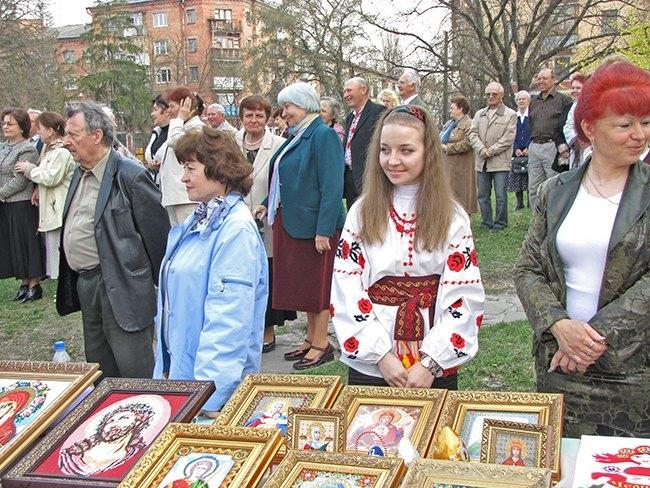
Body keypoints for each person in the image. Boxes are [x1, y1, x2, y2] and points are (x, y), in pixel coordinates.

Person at [514, 61, 650, 438]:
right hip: (560, 368)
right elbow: (527, 269)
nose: (639, 135)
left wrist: (589, 339)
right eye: (625, 124)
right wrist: (559, 325)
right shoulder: (555, 192)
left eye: (646, 122)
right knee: (562, 462)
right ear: (589, 128)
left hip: (633, 374)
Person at [331, 105, 485, 391]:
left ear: (428, 152)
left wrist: (431, 362)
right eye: (385, 150)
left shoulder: (452, 216)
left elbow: (465, 293)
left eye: (406, 150)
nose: (393, 160)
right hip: (373, 362)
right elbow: (346, 287)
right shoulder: (361, 213)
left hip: (432, 365)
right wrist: (380, 356)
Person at [153, 127, 268, 415]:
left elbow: (228, 322)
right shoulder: (200, 218)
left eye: (191, 168)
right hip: (185, 381)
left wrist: (209, 397)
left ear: (220, 171)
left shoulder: (236, 230)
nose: (183, 177)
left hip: (207, 397)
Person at [57, 101, 170, 380]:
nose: (66, 141)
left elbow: (158, 238)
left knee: (134, 370)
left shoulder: (130, 175)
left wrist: (159, 291)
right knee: (100, 367)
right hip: (87, 283)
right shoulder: (79, 172)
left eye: (73, 134)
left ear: (96, 135)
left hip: (122, 286)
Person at [253, 82, 345, 370]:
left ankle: (322, 344)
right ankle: (310, 339)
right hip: (294, 224)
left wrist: (324, 230)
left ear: (305, 105)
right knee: (306, 286)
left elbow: (332, 186)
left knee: (318, 287)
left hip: (315, 227)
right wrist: (267, 202)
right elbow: (283, 178)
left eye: (288, 106)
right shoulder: (298, 134)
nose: (284, 112)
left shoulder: (323, 135)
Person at [234, 95, 296, 353]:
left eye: (259, 115)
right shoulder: (230, 144)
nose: (254, 120)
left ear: (268, 118)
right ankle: (243, 330)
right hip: (236, 219)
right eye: (249, 115)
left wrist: (266, 203)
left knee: (265, 275)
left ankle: (267, 331)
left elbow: (285, 183)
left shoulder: (280, 145)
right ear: (241, 118)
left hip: (266, 220)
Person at [15, 111, 75, 280]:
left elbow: (50, 177)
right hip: (51, 208)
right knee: (54, 253)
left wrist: (28, 169)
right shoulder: (50, 151)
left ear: (50, 131)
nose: (38, 131)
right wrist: (38, 190)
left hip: (59, 208)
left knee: (60, 254)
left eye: (40, 128)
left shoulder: (61, 152)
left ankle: (66, 286)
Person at [0, 108, 43, 303]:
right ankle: (24, 282)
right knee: (13, 245)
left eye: (10, 123)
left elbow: (20, 180)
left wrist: (0, 194)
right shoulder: (3, 147)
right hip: (6, 204)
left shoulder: (27, 149)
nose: (5, 126)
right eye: (4, 123)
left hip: (22, 203)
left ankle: (34, 284)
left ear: (22, 127)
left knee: (26, 244)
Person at [469, 82, 517, 231]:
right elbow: (472, 133)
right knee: (482, 195)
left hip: (500, 162)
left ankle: (500, 224)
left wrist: (490, 151)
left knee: (501, 195)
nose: (491, 97)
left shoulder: (510, 114)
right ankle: (486, 222)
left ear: (501, 95)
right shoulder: (479, 114)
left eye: (494, 94)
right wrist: (481, 149)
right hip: (482, 161)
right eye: (488, 94)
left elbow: (508, 138)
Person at [59, 403, 154, 476]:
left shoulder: (140, 455)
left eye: (123, 418)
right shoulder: (68, 456)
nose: (113, 424)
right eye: (110, 421)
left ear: (138, 422)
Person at [527, 68, 573, 208]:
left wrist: (563, 145)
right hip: (534, 147)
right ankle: (537, 218)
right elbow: (531, 123)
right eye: (539, 78)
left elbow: (567, 124)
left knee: (553, 187)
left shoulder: (563, 100)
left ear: (553, 80)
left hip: (552, 146)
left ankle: (553, 217)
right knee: (534, 189)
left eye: (545, 78)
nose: (541, 81)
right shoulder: (533, 102)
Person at [342, 77, 386, 208]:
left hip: (368, 177)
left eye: (349, 90)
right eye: (344, 92)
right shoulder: (350, 118)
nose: (346, 95)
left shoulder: (379, 112)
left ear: (363, 90)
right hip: (350, 178)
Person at [164, 87, 204, 224]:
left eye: (172, 106)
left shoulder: (196, 127)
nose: (168, 111)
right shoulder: (179, 127)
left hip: (186, 198)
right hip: (174, 197)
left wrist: (179, 118)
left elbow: (174, 142)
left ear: (185, 105)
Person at [440, 95, 477, 215]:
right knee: (447, 192)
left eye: (452, 108)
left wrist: (447, 148)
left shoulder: (470, 124)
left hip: (461, 166)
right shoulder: (449, 123)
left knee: (461, 193)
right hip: (446, 164)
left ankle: (464, 218)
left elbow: (468, 143)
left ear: (460, 109)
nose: (450, 110)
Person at [508, 91, 532, 210]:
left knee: (530, 176)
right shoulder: (513, 117)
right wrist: (515, 148)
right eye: (519, 99)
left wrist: (528, 147)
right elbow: (509, 133)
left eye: (524, 99)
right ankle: (519, 203)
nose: (521, 101)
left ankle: (530, 202)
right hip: (516, 151)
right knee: (517, 176)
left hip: (530, 150)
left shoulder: (532, 116)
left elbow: (534, 131)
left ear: (528, 101)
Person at [563, 73, 589, 169]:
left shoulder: (592, 104)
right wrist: (576, 139)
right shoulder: (574, 106)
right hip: (577, 148)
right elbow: (568, 126)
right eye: (573, 88)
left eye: (578, 88)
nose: (574, 90)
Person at [144, 94, 171, 182]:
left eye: (155, 110)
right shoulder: (157, 132)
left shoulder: (175, 133)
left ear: (166, 111)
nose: (152, 114)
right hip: (159, 183)